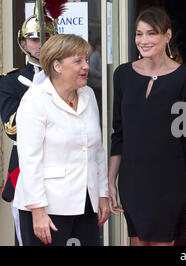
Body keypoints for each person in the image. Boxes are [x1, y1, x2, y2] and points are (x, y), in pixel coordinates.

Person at [108, 7, 186, 246]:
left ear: (167, 36)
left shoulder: (185, 78)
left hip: (169, 182)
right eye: (138, 34)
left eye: (151, 33)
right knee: (137, 242)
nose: (143, 40)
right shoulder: (122, 74)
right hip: (132, 180)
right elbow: (118, 133)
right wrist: (110, 181)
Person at [13, 34, 110, 246]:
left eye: (86, 59)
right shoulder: (35, 100)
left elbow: (97, 151)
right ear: (57, 66)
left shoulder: (88, 95)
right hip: (47, 207)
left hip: (85, 204)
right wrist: (37, 211)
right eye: (78, 61)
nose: (86, 66)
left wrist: (102, 194)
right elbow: (29, 160)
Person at [0, 0, 60, 245]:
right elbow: (12, 130)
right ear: (23, 43)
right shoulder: (12, 81)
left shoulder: (65, 77)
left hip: (61, 163)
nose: (40, 45)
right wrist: (34, 94)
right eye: (34, 39)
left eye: (45, 38)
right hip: (24, 165)